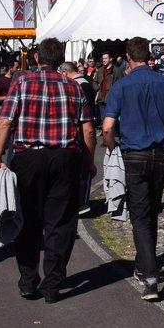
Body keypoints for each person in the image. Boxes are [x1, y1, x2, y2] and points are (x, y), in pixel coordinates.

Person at [0, 38, 95, 303]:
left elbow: (4, 123)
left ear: (37, 58)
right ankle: (52, 284)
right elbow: (87, 130)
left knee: (27, 220)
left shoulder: (21, 83)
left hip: (28, 159)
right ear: (60, 59)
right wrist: (89, 161)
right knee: (60, 223)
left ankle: (28, 280)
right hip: (64, 157)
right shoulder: (73, 86)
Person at [102, 36, 164, 302]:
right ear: (148, 57)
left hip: (134, 153)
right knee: (151, 208)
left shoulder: (122, 86)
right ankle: (143, 264)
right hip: (160, 153)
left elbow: (107, 126)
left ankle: (150, 277)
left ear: (128, 57)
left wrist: (111, 147)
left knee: (140, 214)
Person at [60, 61, 98, 215]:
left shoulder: (77, 86)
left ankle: (79, 203)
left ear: (65, 72)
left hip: (79, 129)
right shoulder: (86, 83)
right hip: (84, 126)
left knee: (78, 168)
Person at [92, 52, 122, 120]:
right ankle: (104, 130)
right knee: (103, 118)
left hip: (112, 99)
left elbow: (121, 84)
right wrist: (98, 89)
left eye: (105, 58)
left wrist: (115, 93)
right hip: (101, 98)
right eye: (103, 58)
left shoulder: (117, 70)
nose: (103, 60)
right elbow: (94, 81)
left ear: (110, 59)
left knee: (112, 118)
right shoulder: (100, 70)